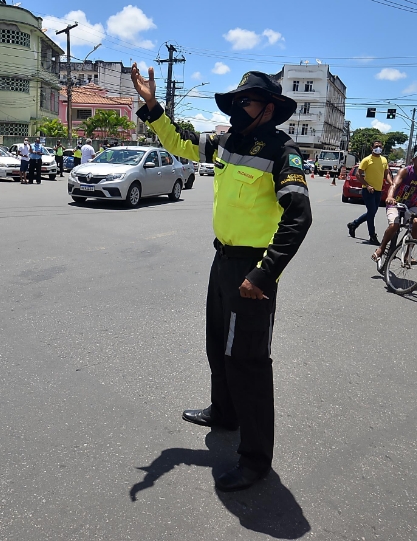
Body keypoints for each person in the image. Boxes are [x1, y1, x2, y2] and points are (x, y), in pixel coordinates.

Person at [131, 64, 311, 492]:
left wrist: (264, 275)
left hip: (254, 268)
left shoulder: (283, 151)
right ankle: (224, 413)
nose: (235, 108)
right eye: (234, 101)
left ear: (267, 108)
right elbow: (180, 141)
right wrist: (152, 105)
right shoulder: (227, 141)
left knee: (248, 362)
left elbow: (299, 217)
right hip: (223, 260)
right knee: (218, 347)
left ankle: (255, 460)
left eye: (243, 101)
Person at [371, 150, 417, 265]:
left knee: (416, 223)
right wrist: (390, 196)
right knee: (394, 225)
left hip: (412, 205)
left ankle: (408, 255)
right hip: (396, 203)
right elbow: (394, 185)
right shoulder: (405, 171)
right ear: (413, 160)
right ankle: (381, 248)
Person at [347, 140, 391, 245]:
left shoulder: (384, 160)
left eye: (380, 146)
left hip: (378, 191)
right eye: (376, 146)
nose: (378, 148)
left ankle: (354, 224)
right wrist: (367, 185)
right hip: (368, 191)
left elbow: (387, 174)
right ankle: (372, 236)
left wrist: (392, 183)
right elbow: (358, 174)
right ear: (372, 148)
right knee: (371, 213)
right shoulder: (366, 160)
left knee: (371, 213)